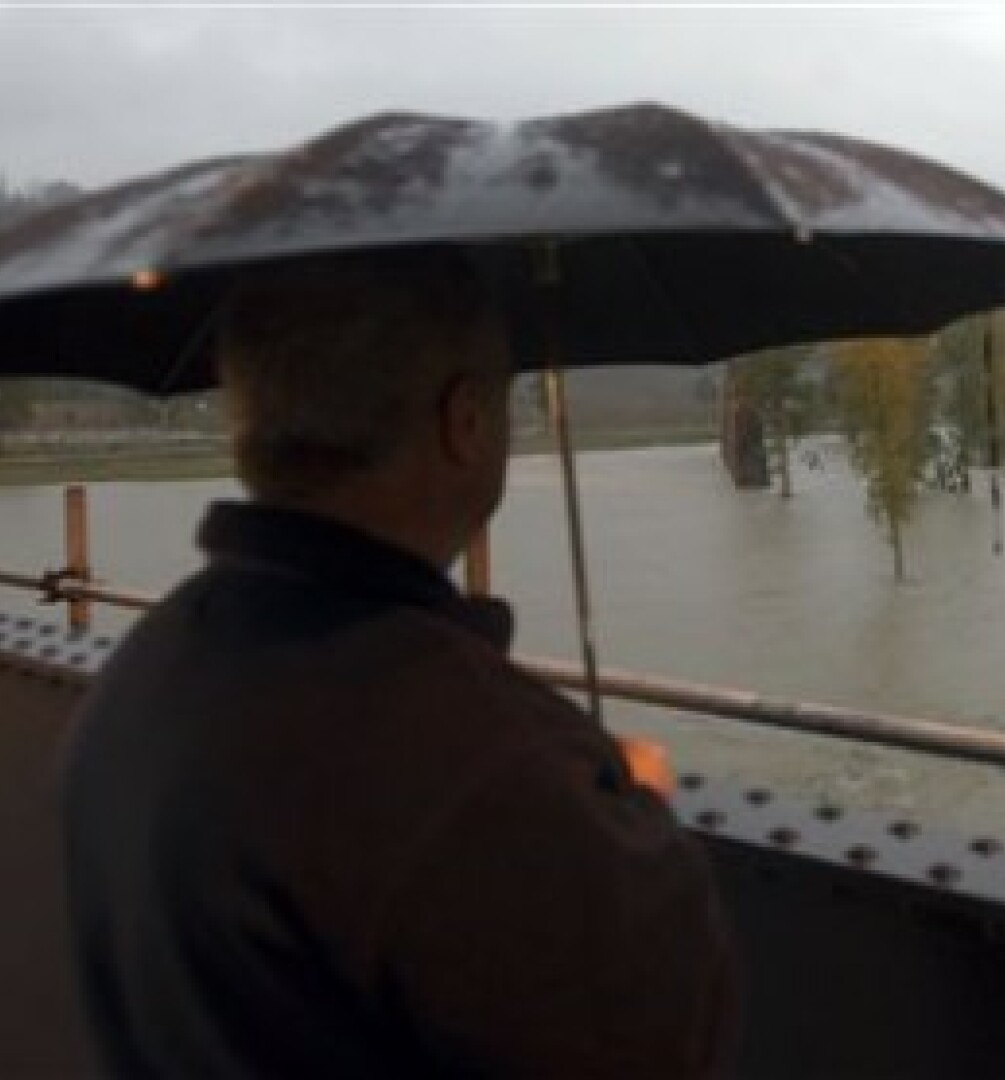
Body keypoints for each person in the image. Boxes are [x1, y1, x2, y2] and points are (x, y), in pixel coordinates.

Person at [60, 250, 737, 1078]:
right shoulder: (472, 761)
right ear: (465, 422)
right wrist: (635, 818)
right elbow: (651, 1037)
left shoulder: (147, 672)